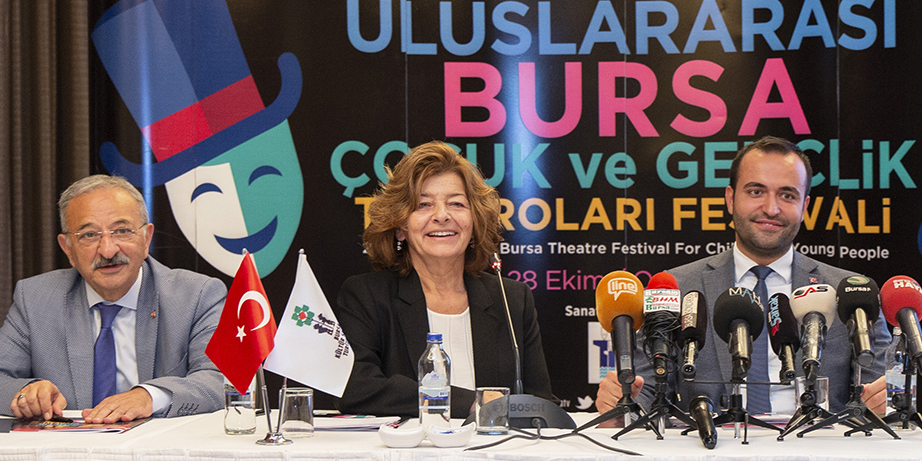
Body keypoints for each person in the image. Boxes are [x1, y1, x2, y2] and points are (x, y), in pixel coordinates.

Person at [595, 136, 889, 418]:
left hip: (818, 445)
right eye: (756, 192)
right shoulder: (678, 287)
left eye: (787, 195)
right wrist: (622, 406)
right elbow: (646, 391)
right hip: (711, 446)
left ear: (804, 207)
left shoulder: (850, 293)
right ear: (730, 198)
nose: (771, 209)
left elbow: (878, 389)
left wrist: (881, 403)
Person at [0, 175, 226, 422]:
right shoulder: (37, 299)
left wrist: (150, 396)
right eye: (89, 235)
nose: (108, 250)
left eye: (122, 231)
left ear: (146, 239)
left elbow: (221, 379)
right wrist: (27, 393)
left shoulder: (196, 296)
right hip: (67, 452)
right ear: (68, 249)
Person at [334, 141, 554, 417]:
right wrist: (471, 402)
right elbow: (355, 388)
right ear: (400, 227)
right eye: (423, 205)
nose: (441, 216)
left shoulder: (511, 300)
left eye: (456, 204)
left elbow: (540, 403)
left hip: (495, 446)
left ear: (474, 222)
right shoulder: (366, 295)